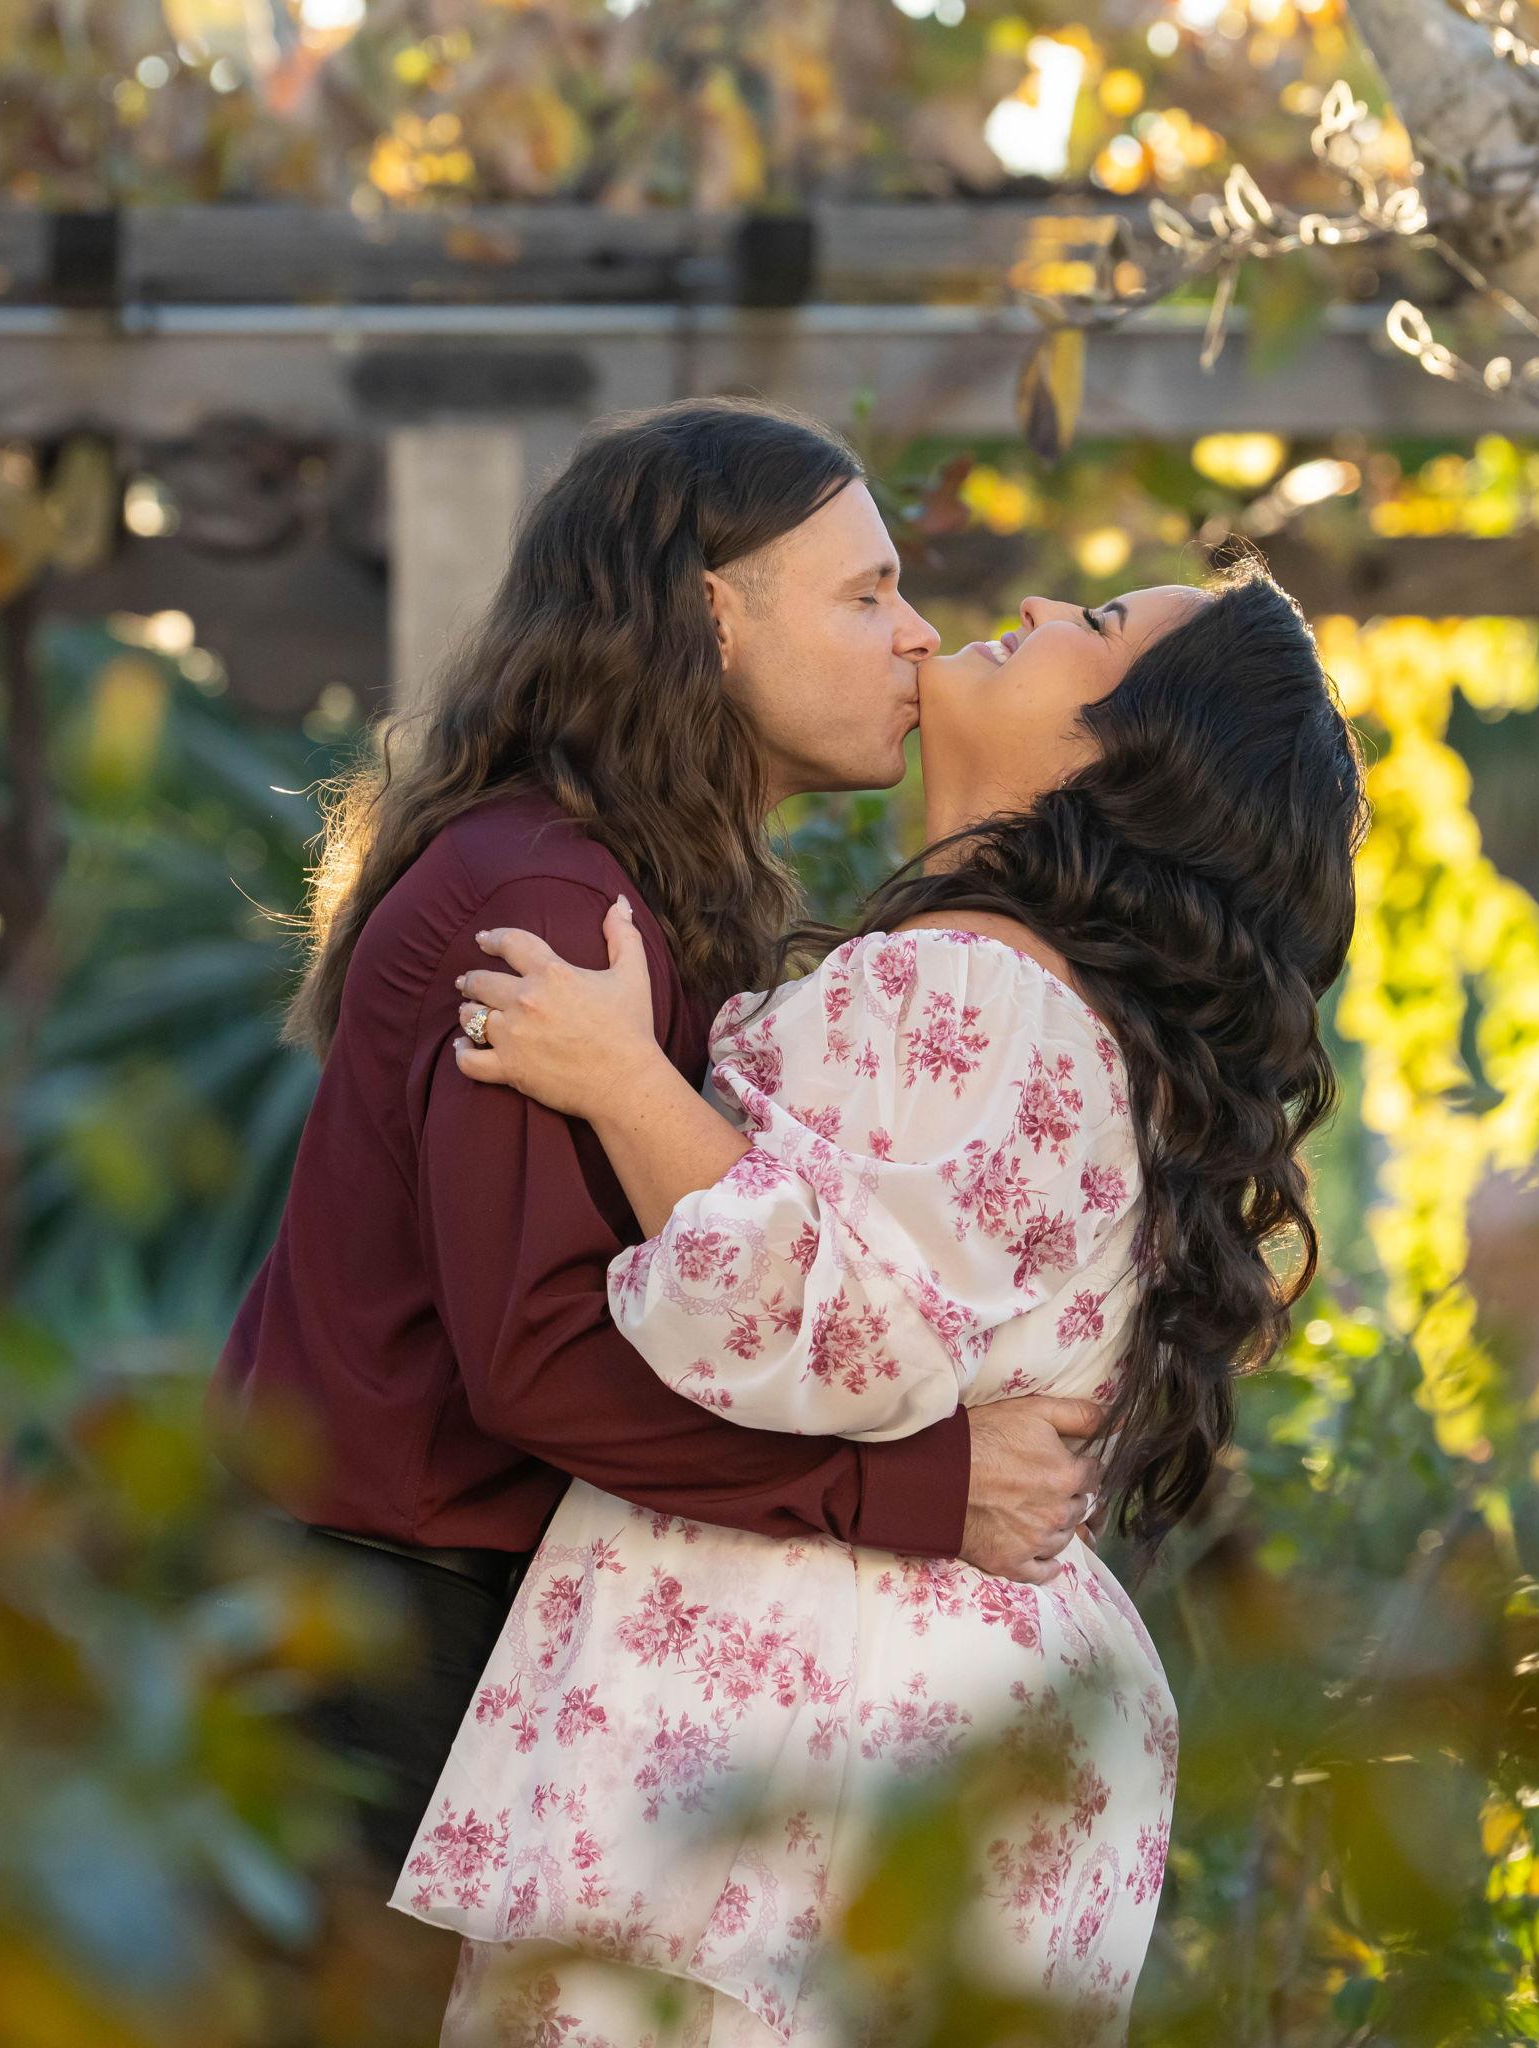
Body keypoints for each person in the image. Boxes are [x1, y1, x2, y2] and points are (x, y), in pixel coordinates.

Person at [395, 563, 1370, 2046]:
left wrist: (621, 1081)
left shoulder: (967, 987)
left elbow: (833, 1331)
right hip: (939, 1727)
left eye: (1098, 628)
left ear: (1134, 759)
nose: (1040, 611)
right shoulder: (1070, 1016)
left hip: (795, 1743)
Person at [204, 399, 1111, 1920]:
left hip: (414, 1611)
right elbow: (542, 1361)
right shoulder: (551, 903)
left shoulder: (634, 884)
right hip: (369, 1639)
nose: (915, 636)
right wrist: (926, 1487)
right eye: (866, 594)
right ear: (712, 619)